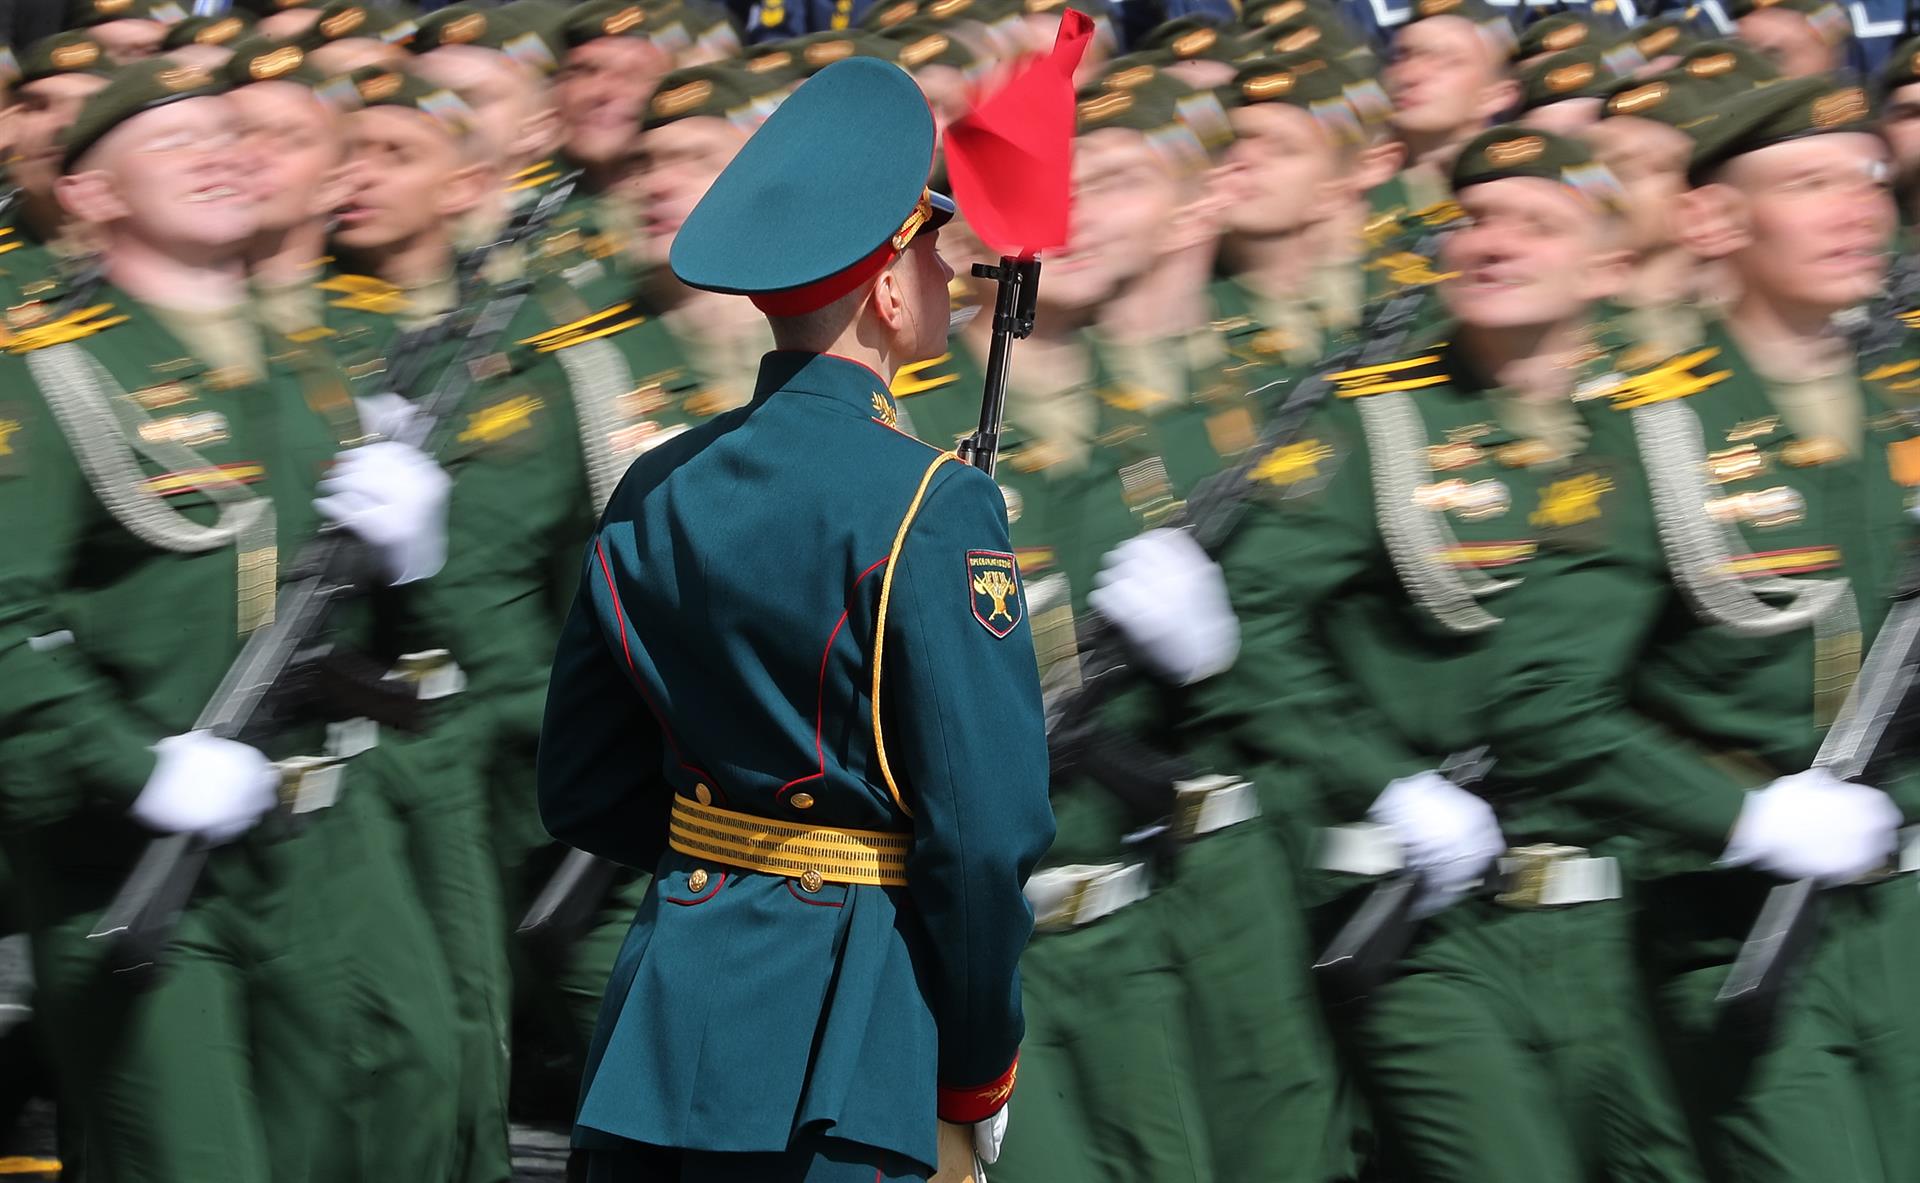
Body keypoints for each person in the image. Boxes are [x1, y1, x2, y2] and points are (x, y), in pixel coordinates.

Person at [538, 56, 1052, 1182]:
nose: (950, 273)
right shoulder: (936, 498)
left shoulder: (655, 481)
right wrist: (975, 1072)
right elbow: (984, 839)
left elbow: (581, 784)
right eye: (928, 248)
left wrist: (738, 866)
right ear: (882, 287)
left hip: (668, 1016)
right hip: (851, 1037)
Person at [1178, 125, 1709, 1183]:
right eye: (1474, 219)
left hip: (1620, 921)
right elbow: (1249, 633)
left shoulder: (1666, 429)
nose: (1492, 242)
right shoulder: (1378, 426)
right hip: (1426, 922)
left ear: (1608, 262)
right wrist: (1389, 783)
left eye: (1536, 222)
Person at [0, 57, 450, 1182]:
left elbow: (411, 656)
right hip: (138, 855)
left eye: (227, 134)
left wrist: (409, 561)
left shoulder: (318, 366)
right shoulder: (49, 379)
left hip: (320, 851)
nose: (217, 154)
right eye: (170, 141)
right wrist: (132, 764)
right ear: (91, 194)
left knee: (379, 1128)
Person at [1487, 74, 1920, 1183]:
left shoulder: (1905, 402)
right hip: (1744, 925)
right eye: (1810, 183)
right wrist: (1748, 813)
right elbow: (1544, 702)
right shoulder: (1650, 432)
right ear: (1715, 220)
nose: (1859, 209)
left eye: (1868, 178)